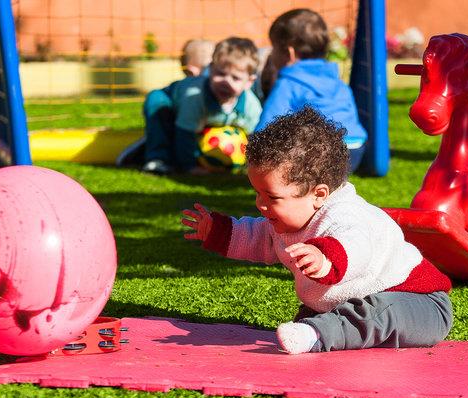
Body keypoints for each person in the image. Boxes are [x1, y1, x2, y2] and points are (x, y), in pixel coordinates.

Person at [181, 107, 453, 354]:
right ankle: (320, 329)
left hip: (419, 303)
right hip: (353, 302)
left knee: (377, 313)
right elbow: (258, 238)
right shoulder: (286, 221)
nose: (261, 205)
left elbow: (356, 244)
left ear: (319, 194)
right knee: (348, 314)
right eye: (257, 194)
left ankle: (317, 333)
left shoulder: (347, 214)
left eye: (272, 197)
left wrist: (325, 259)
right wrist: (217, 230)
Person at [118, 37, 262, 175]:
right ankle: (157, 158)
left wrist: (253, 165)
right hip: (169, 101)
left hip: (200, 121)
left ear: (249, 82)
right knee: (159, 112)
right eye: (220, 73)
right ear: (210, 69)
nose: (225, 81)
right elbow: (184, 135)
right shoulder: (195, 97)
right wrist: (190, 167)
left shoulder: (251, 105)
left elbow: (255, 137)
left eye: (235, 78)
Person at [256, 9, 368, 173]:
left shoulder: (289, 83)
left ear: (289, 53)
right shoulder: (335, 78)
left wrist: (252, 149)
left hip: (319, 154)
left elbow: (267, 125)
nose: (272, 54)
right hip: (355, 148)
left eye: (274, 48)